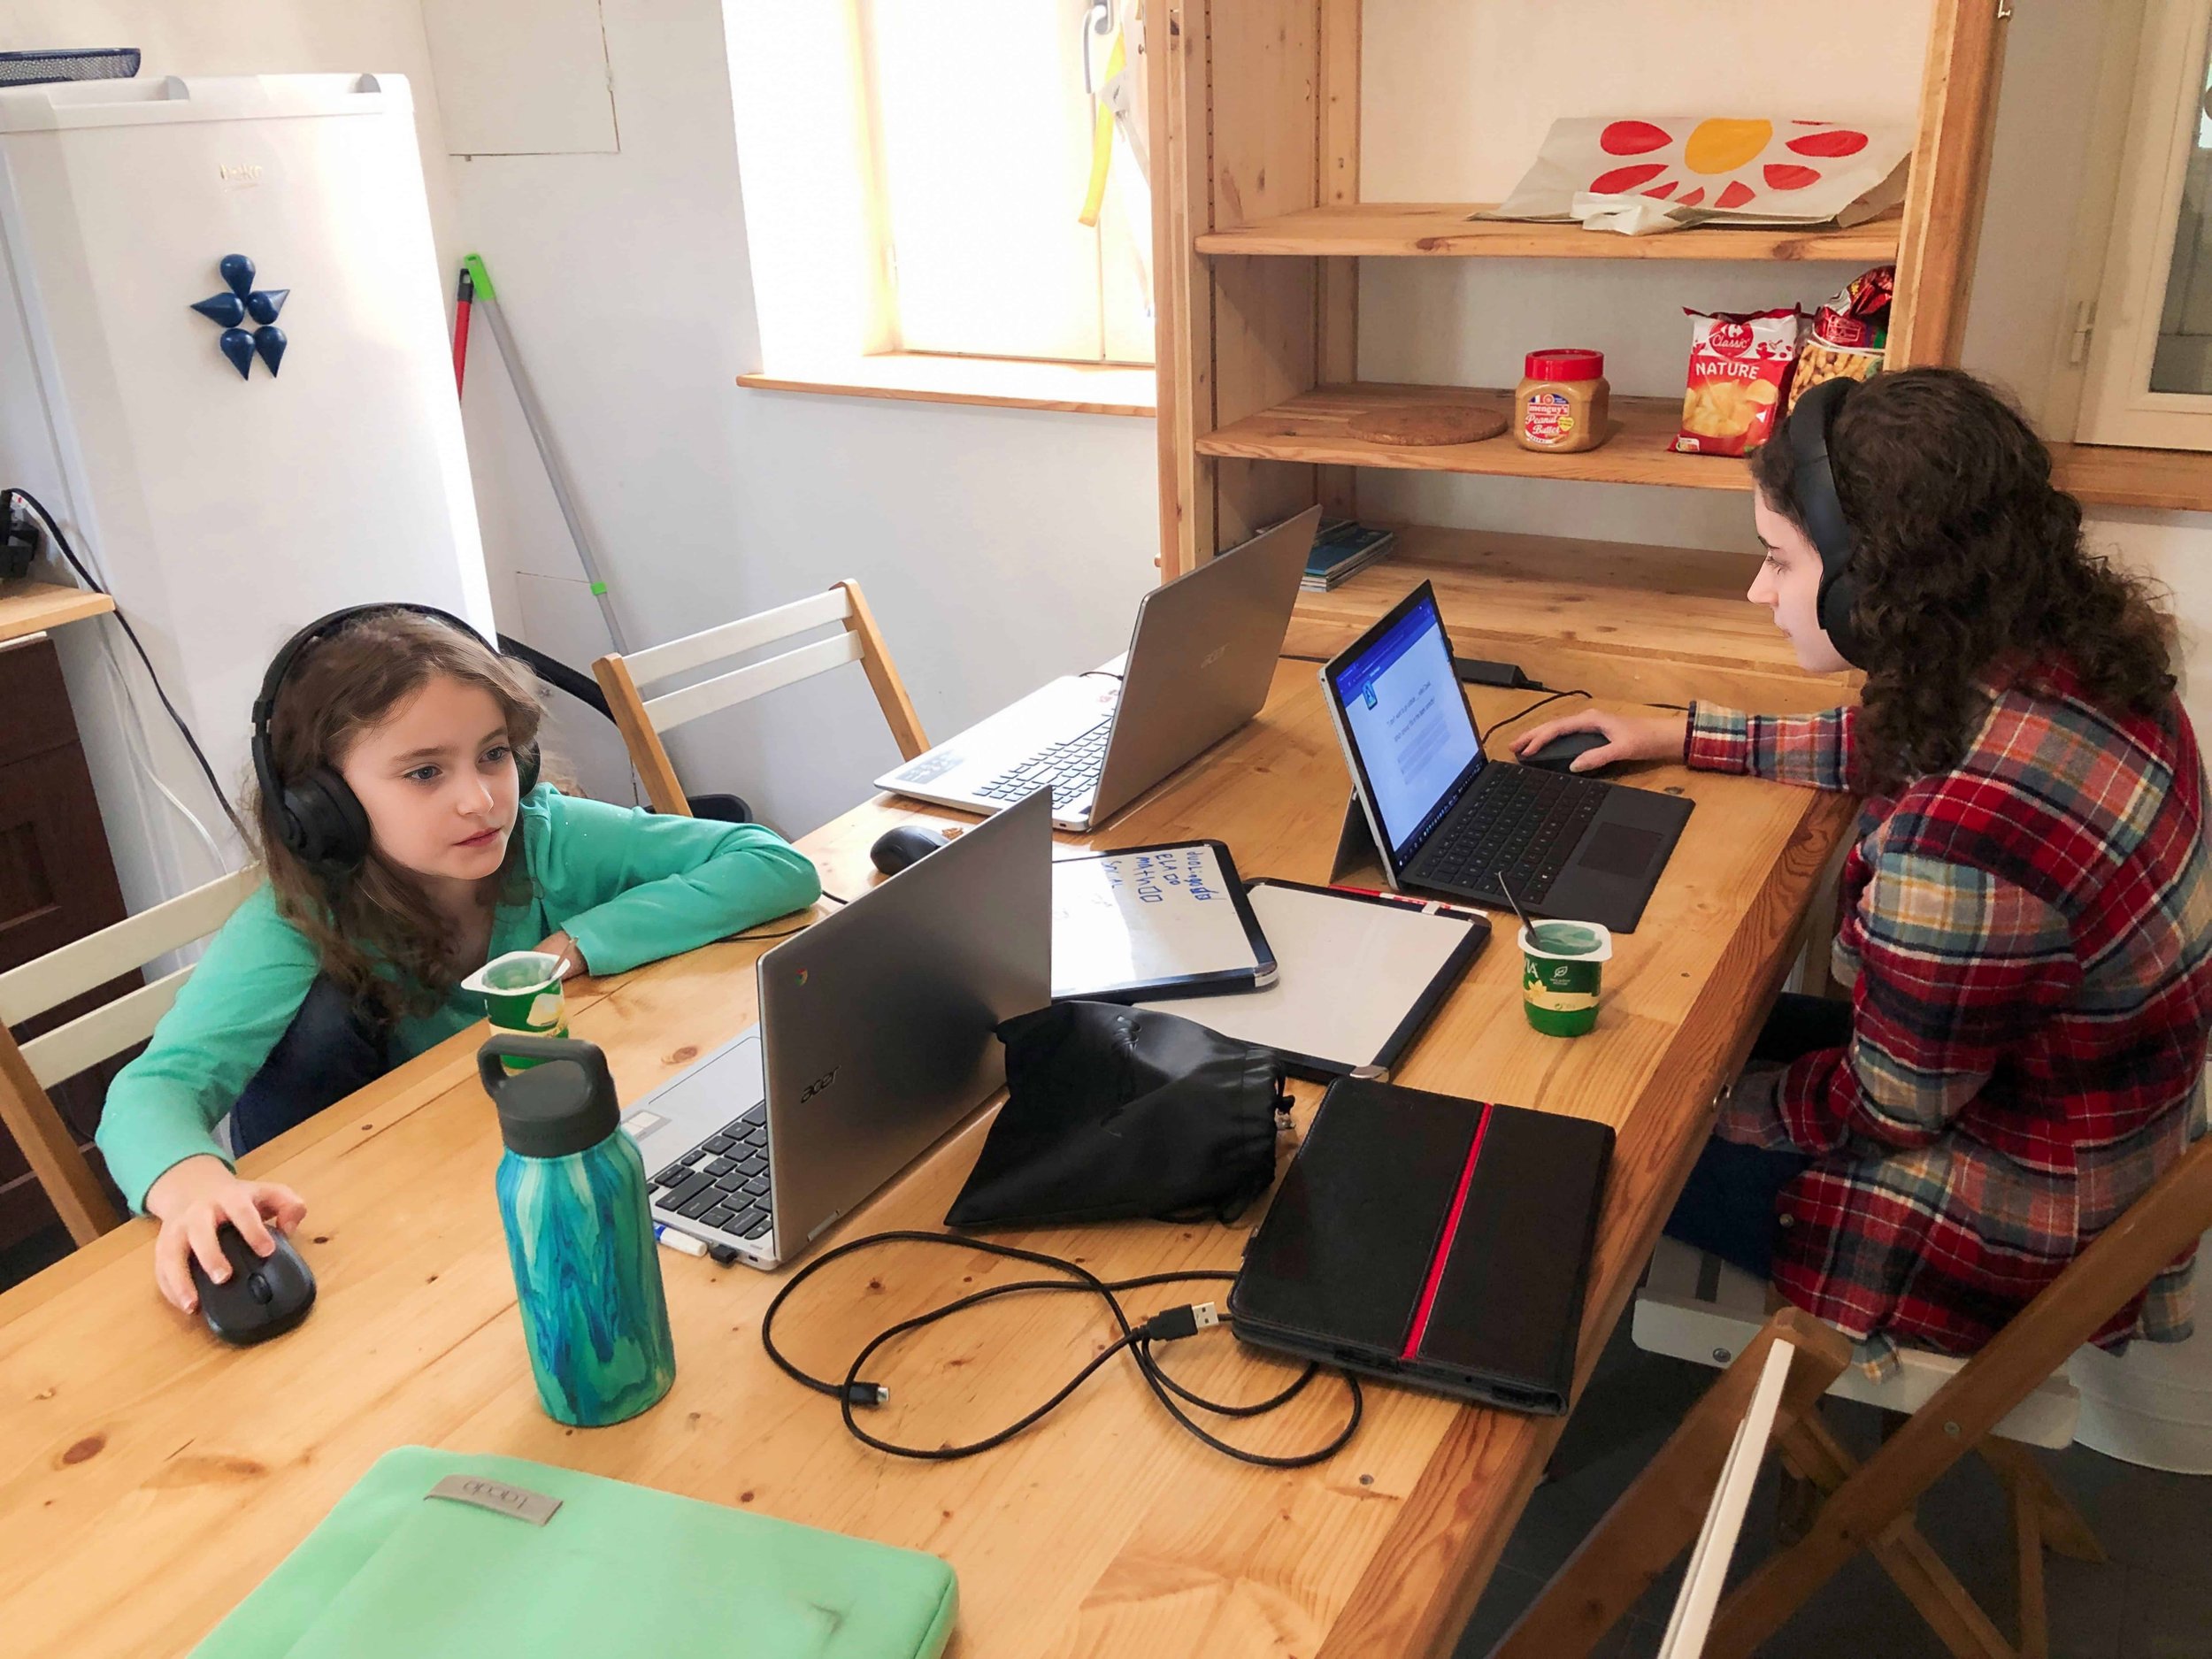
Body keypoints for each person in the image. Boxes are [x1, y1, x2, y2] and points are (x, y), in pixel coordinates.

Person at [1512, 367, 2212, 1372]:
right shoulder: (2072, 664)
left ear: (1869, 584)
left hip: (1998, 1216)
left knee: (1561, 1126)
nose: (1758, 590)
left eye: (1778, 562)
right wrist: (1678, 732)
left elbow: (1882, 1112)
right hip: (2073, 1129)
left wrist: (1698, 1105)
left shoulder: (1961, 841)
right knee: (1675, 1025)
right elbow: (1898, 742)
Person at [96, 605, 822, 1315]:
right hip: (387, 1234)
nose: (480, 800)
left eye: (494, 754)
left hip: (522, 1173)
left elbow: (771, 864)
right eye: (423, 773)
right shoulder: (301, 919)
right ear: (322, 806)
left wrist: (579, 941)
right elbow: (151, 1091)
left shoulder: (547, 837)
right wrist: (191, 1185)